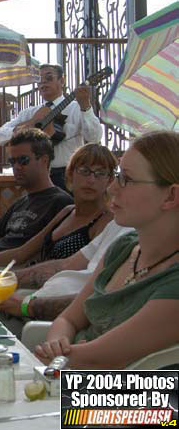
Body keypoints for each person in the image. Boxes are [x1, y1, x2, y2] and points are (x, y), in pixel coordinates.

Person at [35, 131, 179, 369]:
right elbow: (69, 318)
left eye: (127, 179)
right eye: (116, 176)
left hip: (116, 402)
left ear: (171, 195)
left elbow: (97, 357)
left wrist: (54, 358)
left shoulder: (174, 282)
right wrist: (56, 342)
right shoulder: (124, 248)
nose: (111, 188)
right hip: (63, 378)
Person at [0, 143, 116, 268]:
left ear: (109, 180)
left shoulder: (107, 221)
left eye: (100, 173)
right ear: (71, 174)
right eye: (84, 171)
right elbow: (22, 253)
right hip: (32, 281)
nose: (91, 180)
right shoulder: (67, 212)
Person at [0, 220, 132, 334]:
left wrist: (26, 306)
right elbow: (67, 264)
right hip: (35, 311)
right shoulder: (118, 225)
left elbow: (102, 303)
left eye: (126, 184)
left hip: (46, 325)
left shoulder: (138, 245)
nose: (111, 188)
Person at [0, 128, 73, 253]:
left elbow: (32, 254)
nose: (16, 167)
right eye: (12, 161)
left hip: (12, 269)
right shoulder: (21, 202)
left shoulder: (60, 203)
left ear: (44, 160)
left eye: (23, 160)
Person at [0, 64, 102, 191]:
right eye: (39, 81)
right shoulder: (30, 113)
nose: (43, 83)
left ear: (62, 81)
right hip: (36, 177)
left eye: (49, 78)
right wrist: (23, 130)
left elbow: (95, 137)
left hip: (68, 176)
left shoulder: (77, 108)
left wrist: (86, 107)